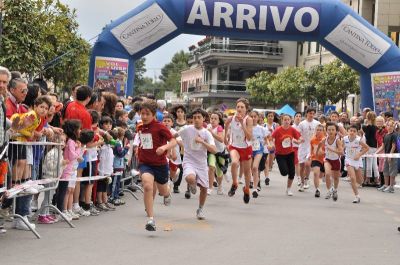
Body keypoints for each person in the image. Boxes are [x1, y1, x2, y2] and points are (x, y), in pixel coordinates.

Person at [136, 100, 177, 231]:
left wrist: (164, 147)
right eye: (142, 113)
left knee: (163, 191)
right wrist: (138, 149)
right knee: (147, 185)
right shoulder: (140, 127)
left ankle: (167, 193)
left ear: (154, 115)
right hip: (145, 163)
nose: (144, 116)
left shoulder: (160, 127)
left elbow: (173, 140)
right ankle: (151, 219)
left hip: (160, 164)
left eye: (147, 114)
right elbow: (142, 140)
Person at [176, 108, 216, 219]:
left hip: (201, 164)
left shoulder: (206, 133)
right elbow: (175, 136)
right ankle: (192, 184)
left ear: (204, 119)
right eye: (194, 118)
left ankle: (200, 209)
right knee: (190, 178)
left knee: (204, 188)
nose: (196, 120)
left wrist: (202, 142)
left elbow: (214, 150)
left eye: (199, 117)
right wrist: (181, 143)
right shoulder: (187, 129)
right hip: (189, 161)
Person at [225, 98, 253, 204]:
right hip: (234, 146)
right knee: (234, 162)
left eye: (242, 107)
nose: (239, 109)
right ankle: (235, 183)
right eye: (238, 107)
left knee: (246, 172)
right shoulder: (231, 118)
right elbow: (226, 125)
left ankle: (246, 189)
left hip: (246, 148)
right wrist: (225, 137)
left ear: (246, 109)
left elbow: (249, 137)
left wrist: (242, 124)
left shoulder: (248, 120)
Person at [270, 114, 301, 196]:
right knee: (284, 172)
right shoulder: (278, 130)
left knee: (292, 172)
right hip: (280, 154)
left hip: (290, 153)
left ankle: (289, 189)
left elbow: (299, 137)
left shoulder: (292, 129)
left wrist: (299, 141)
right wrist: (272, 144)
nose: (287, 121)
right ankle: (285, 171)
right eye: (285, 120)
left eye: (288, 120)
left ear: (290, 121)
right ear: (282, 121)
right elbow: (271, 138)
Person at [60, 120, 83, 221]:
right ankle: (64, 210)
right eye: (78, 129)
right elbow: (72, 155)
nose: (80, 130)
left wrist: (79, 147)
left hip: (73, 169)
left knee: (71, 190)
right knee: (67, 190)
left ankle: (69, 209)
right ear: (74, 130)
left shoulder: (75, 142)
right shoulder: (70, 141)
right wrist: (78, 150)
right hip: (68, 169)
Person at [317, 122, 343, 201]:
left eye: (333, 130)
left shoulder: (337, 140)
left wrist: (332, 150)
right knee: (327, 174)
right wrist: (318, 151)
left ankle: (335, 190)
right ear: (326, 131)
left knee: (336, 178)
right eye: (329, 130)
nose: (331, 131)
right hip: (327, 159)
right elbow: (319, 145)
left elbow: (341, 152)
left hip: (336, 160)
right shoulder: (324, 140)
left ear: (336, 131)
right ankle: (329, 190)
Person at [343, 125, 369, 203]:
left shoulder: (358, 140)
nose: (352, 132)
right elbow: (340, 147)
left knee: (360, 181)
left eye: (354, 131)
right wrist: (340, 151)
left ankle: (358, 183)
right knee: (352, 178)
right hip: (348, 160)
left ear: (357, 132)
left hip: (357, 161)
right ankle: (356, 196)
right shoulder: (344, 139)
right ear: (348, 131)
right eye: (350, 131)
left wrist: (359, 154)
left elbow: (367, 148)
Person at [298, 108, 320, 191]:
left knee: (307, 164)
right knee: (302, 166)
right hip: (303, 146)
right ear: (306, 114)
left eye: (313, 113)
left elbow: (320, 133)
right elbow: (298, 134)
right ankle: (302, 182)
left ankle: (306, 179)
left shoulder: (317, 123)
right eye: (310, 113)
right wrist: (300, 139)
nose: (311, 115)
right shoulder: (302, 124)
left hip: (311, 147)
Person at [249, 111, 269, 198]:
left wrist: (266, 143)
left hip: (258, 150)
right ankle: (252, 181)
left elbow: (267, 138)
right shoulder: (247, 128)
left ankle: (255, 188)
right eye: (251, 117)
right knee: (250, 169)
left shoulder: (262, 129)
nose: (253, 118)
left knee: (255, 167)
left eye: (255, 116)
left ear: (258, 118)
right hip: (248, 150)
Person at [376, 120, 398, 193]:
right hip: (386, 155)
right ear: (386, 126)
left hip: (392, 156)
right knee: (385, 171)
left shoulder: (394, 135)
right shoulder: (385, 135)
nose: (390, 127)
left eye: (391, 126)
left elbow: (393, 146)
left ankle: (391, 187)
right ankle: (385, 185)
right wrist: (376, 152)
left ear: (394, 127)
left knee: (392, 171)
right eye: (388, 125)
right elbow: (382, 146)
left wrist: (390, 155)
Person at [207, 111, 225, 195]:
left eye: (215, 119)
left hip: (220, 152)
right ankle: (210, 187)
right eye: (212, 118)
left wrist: (212, 133)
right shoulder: (208, 127)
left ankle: (220, 185)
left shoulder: (219, 128)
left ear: (218, 121)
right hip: (211, 151)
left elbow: (221, 139)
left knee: (219, 172)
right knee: (211, 167)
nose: (213, 120)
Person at [362, 111, 379, 186]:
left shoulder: (367, 127)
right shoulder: (376, 127)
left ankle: (368, 180)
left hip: (369, 146)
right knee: (374, 163)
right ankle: (376, 179)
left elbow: (367, 137)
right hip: (375, 146)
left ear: (367, 117)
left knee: (369, 163)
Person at [310, 124, 326, 198]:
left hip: (325, 159)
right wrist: (310, 157)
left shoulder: (326, 139)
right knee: (316, 173)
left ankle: (324, 177)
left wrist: (322, 152)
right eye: (317, 130)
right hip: (315, 158)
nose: (319, 131)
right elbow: (311, 149)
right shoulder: (313, 140)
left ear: (323, 131)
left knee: (320, 175)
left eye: (320, 130)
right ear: (315, 131)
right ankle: (317, 190)